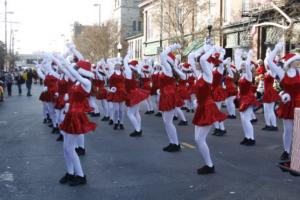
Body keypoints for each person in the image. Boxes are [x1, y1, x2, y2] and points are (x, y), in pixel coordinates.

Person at [267, 42, 300, 161]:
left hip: (299, 103)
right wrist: (276, 49)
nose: (298, 62)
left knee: (298, 130)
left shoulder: (299, 72)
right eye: (296, 60)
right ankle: (286, 151)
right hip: (288, 103)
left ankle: (297, 153)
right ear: (290, 62)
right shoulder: (282, 73)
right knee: (288, 129)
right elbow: (270, 62)